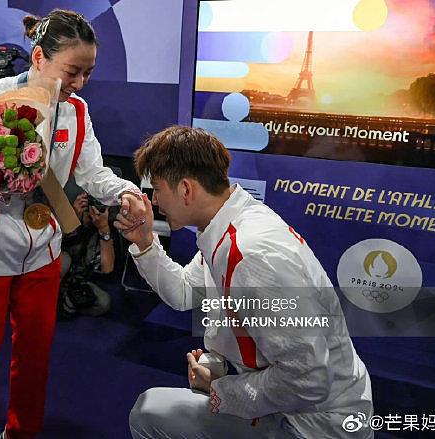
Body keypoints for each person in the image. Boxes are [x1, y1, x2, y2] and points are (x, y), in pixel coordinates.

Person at [0, 9, 146, 439]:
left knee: (35, 353)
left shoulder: (78, 113)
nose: (80, 83)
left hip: (44, 251)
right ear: (39, 57)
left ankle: (22, 431)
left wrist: (123, 191)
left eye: (88, 73)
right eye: (73, 71)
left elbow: (93, 173)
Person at [120, 126, 373, 438]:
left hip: (311, 426)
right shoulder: (227, 225)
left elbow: (309, 379)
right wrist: (145, 241)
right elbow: (184, 292)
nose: (154, 200)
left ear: (186, 189)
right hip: (300, 408)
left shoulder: (252, 253)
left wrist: (220, 388)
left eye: (157, 189)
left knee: (148, 414)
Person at [58, 188, 115, 317]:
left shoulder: (105, 223)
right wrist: (72, 218)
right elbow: (49, 248)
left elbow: (107, 269)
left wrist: (104, 229)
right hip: (54, 277)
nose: (97, 208)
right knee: (64, 260)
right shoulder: (69, 212)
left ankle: (67, 307)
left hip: (78, 281)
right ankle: (52, 303)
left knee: (104, 302)